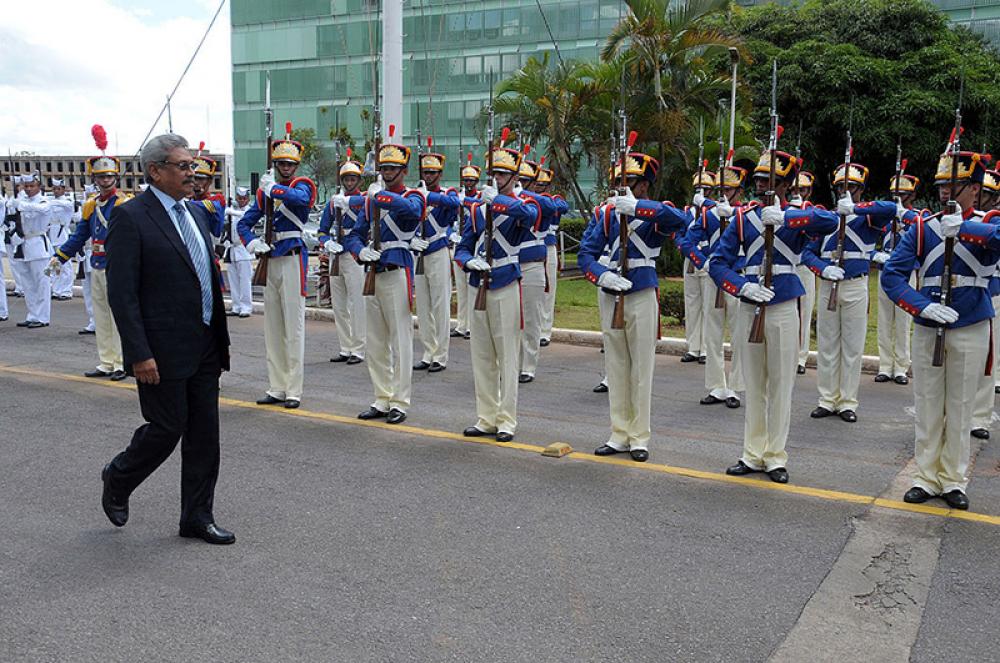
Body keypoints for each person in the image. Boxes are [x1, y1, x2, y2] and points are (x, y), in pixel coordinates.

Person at [102, 133, 233, 544]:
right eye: (183, 166)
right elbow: (122, 294)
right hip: (160, 350)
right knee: (166, 428)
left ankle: (196, 516)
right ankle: (119, 476)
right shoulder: (131, 217)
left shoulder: (193, 213)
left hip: (206, 344)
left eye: (193, 166)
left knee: (204, 437)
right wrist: (138, 353)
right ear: (155, 171)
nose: (192, 174)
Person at [881, 148, 1000, 511]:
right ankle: (925, 476)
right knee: (929, 405)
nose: (946, 192)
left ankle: (952, 478)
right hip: (930, 324)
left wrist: (963, 228)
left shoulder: (990, 221)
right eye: (942, 185)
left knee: (961, 407)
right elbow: (892, 276)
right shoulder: (923, 226)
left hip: (970, 325)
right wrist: (922, 306)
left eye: (956, 185)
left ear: (975, 191)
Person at [709, 150, 838, 483]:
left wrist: (786, 219)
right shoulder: (743, 218)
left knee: (781, 385)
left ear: (786, 185)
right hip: (751, 303)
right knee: (754, 385)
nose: (764, 185)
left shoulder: (797, 216)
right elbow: (719, 264)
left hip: (782, 305)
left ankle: (776, 456)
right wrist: (741, 288)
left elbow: (830, 222)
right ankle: (752, 453)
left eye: (771, 181)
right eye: (761, 180)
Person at [579, 150, 689, 462]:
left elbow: (682, 220)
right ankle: (619, 433)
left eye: (630, 182)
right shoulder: (604, 214)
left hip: (641, 292)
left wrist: (638, 208)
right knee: (616, 367)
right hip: (611, 294)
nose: (621, 187)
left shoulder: (654, 213)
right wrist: (602, 277)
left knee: (641, 369)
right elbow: (587, 254)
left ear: (644, 187)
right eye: (618, 182)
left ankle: (639, 437)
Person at [454, 139, 540, 441]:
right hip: (479, 283)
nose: (499, 179)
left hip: (505, 281)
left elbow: (529, 218)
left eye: (504, 175)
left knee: (507, 357)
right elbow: (462, 247)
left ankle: (506, 421)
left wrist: (497, 202)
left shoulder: (521, 205)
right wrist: (469, 263)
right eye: (496, 174)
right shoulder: (479, 209)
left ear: (515, 178)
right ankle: (486, 417)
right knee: (482, 356)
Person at [343, 129, 426, 425]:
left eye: (393, 168)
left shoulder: (410, 195)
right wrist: (359, 251)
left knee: (401, 341)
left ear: (403, 171)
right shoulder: (370, 200)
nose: (388, 172)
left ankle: (400, 401)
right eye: (384, 168)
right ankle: (381, 397)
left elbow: (412, 212)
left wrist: (383, 198)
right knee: (375, 341)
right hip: (373, 272)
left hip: (397, 271)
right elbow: (354, 235)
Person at [801, 161, 891, 423]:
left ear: (861, 190)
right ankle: (827, 399)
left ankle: (847, 401)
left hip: (855, 285)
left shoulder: (868, 218)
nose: (846, 191)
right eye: (841, 186)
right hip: (830, 285)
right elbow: (808, 253)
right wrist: (822, 269)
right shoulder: (827, 219)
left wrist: (856, 209)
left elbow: (891, 208)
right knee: (828, 346)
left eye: (852, 187)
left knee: (852, 347)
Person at [238, 126, 317, 410]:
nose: (285, 167)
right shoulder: (264, 195)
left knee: (293, 328)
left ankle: (294, 390)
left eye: (289, 164)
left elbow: (299, 201)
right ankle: (277, 386)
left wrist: (273, 189)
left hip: (294, 257)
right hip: (270, 258)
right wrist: (251, 244)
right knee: (272, 327)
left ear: (296, 166)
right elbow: (243, 224)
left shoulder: (302, 184)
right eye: (281, 163)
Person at [50, 146, 130, 379]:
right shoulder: (91, 205)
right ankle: (106, 361)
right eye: (100, 176)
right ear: (94, 179)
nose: (105, 180)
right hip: (96, 264)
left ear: (115, 177)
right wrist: (60, 257)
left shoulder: (124, 204)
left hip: (117, 265)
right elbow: (79, 235)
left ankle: (121, 362)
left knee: (118, 315)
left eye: (109, 176)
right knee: (101, 314)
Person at [682, 166, 746, 409]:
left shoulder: (744, 214)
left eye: (727, 190)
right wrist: (703, 261)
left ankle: (736, 387)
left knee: (739, 334)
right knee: (713, 334)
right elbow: (688, 242)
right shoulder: (709, 216)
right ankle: (717, 385)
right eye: (720, 189)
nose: (723, 194)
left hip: (737, 278)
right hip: (712, 278)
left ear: (738, 191)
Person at [868, 173, 925, 385]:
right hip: (884, 270)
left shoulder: (916, 219)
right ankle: (885, 365)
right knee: (884, 321)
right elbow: (867, 247)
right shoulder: (884, 219)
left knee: (903, 322)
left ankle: (901, 366)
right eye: (895, 194)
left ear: (913, 195)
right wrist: (877, 255)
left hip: (905, 273)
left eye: (903, 194)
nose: (898, 198)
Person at [411, 142, 460, 373]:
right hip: (420, 253)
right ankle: (428, 351)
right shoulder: (415, 194)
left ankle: (441, 355)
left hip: (439, 250)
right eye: (425, 172)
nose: (428, 175)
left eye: (432, 172)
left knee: (440, 305)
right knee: (423, 305)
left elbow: (454, 203)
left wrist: (428, 195)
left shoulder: (445, 193)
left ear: (440, 174)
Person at [320, 158, 366, 364]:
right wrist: (327, 243)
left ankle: (359, 348)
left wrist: (347, 203)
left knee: (357, 303)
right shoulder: (333, 202)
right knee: (339, 304)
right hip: (336, 254)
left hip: (354, 255)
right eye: (346, 179)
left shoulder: (362, 200)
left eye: (353, 179)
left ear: (359, 181)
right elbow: (322, 230)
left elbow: (368, 206)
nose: (349, 182)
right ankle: (345, 346)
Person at [515, 154, 555, 383]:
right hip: (509, 266)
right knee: (509, 320)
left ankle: (528, 366)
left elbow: (552, 205)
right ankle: (511, 362)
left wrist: (521, 193)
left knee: (531, 318)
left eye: (524, 180)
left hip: (531, 266)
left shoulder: (538, 202)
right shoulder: (507, 201)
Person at [534, 161, 568, 347]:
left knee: (548, 291)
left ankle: (545, 331)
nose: (538, 187)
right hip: (531, 248)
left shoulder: (554, 199)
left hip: (547, 247)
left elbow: (562, 207)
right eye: (535, 183)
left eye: (542, 185)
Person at [789, 170, 819, 374]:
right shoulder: (785, 210)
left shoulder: (813, 211)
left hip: (805, 267)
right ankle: (789, 354)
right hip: (788, 267)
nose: (798, 192)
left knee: (804, 313)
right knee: (788, 313)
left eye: (803, 189)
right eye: (795, 189)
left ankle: (801, 357)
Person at [12, 173, 52, 328]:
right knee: (28, 283)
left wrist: (21, 205)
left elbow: (42, 209)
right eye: (26, 186)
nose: (28, 189)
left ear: (38, 186)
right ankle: (33, 315)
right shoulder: (22, 200)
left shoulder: (44, 201)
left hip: (38, 246)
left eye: (32, 186)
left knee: (42, 282)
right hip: (23, 245)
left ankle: (43, 317)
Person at [451, 155, 480, 339]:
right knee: (460, 287)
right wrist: (449, 233)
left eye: (471, 180)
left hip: (473, 246)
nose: (468, 183)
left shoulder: (479, 198)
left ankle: (471, 325)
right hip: (458, 243)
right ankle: (461, 324)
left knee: (471, 288)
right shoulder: (457, 198)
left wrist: (465, 202)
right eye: (465, 180)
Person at [222, 186, 254, 317]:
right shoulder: (232, 211)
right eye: (239, 198)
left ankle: (246, 307)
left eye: (244, 198)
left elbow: (245, 216)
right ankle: (236, 306)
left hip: (244, 250)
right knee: (233, 280)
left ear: (248, 199)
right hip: (232, 249)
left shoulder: (249, 211)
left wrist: (230, 212)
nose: (242, 201)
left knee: (245, 280)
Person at [47, 179, 75, 300]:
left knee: (66, 265)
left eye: (58, 189)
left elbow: (68, 205)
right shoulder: (51, 201)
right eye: (54, 189)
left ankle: (66, 290)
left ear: (63, 189)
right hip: (52, 234)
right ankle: (57, 289)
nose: (56, 191)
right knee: (55, 264)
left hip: (62, 234)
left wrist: (50, 202)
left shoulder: (67, 201)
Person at [190, 150, 226, 239]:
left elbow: (207, 206)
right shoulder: (187, 199)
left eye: (201, 179)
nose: (196, 183)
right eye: (194, 178)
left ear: (209, 181)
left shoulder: (217, 199)